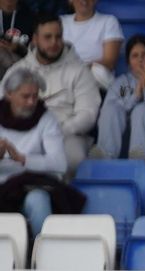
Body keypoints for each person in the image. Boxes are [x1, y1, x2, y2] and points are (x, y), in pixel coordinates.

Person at [13, 16, 96, 173]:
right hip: (24, 134)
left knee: (74, 158)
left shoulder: (79, 70)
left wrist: (55, 131)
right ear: (35, 39)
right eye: (47, 37)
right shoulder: (18, 71)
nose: (54, 43)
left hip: (68, 136)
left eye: (58, 37)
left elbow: (88, 115)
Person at [0, 66, 67, 239]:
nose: (31, 102)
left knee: (39, 201)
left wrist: (23, 159)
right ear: (9, 94)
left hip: (30, 184)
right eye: (25, 96)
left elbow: (60, 163)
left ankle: (45, 254)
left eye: (35, 96)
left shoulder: (46, 119)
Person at [60, 0, 119, 91]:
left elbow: (109, 61)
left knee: (99, 71)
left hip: (94, 78)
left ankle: (121, 97)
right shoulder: (61, 22)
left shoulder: (109, 21)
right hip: (65, 76)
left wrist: (81, 70)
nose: (84, 1)